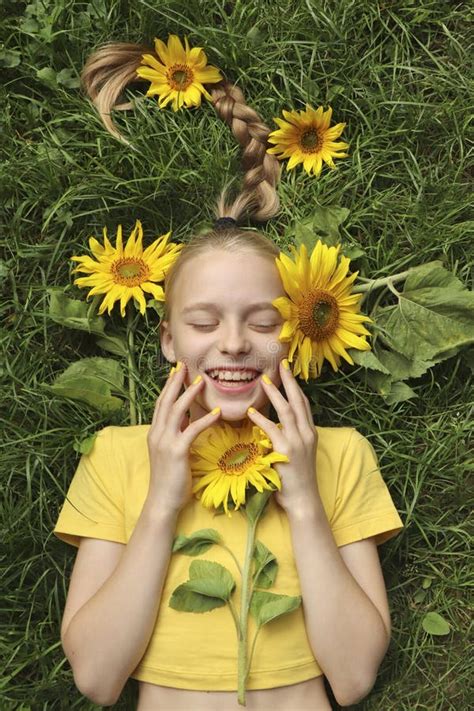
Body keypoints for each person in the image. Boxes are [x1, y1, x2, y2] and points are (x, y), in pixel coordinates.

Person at [53, 39, 404, 711]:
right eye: (205, 321)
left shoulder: (341, 455)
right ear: (168, 339)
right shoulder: (117, 457)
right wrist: (161, 500)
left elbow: (354, 677)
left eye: (264, 321)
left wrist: (302, 495)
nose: (235, 343)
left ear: (298, 331)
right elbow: (97, 678)